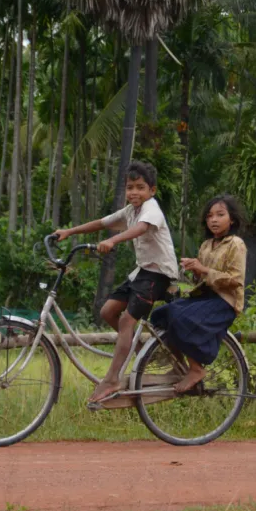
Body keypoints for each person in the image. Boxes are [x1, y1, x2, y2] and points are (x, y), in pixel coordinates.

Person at [53, 161, 178, 404]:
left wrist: (113, 242)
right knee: (108, 311)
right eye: (130, 187)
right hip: (142, 272)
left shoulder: (151, 209)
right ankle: (136, 349)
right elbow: (101, 223)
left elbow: (140, 229)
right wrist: (69, 232)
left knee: (126, 321)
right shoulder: (129, 211)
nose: (134, 192)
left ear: (152, 190)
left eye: (140, 187)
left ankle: (112, 379)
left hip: (159, 274)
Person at [150, 194, 247, 393]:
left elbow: (235, 280)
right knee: (161, 314)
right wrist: (195, 270)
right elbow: (202, 280)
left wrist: (203, 270)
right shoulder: (206, 245)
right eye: (210, 216)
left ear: (232, 219)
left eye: (220, 215)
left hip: (224, 302)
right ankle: (179, 366)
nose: (214, 219)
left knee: (179, 317)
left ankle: (196, 369)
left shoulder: (236, 244)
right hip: (205, 298)